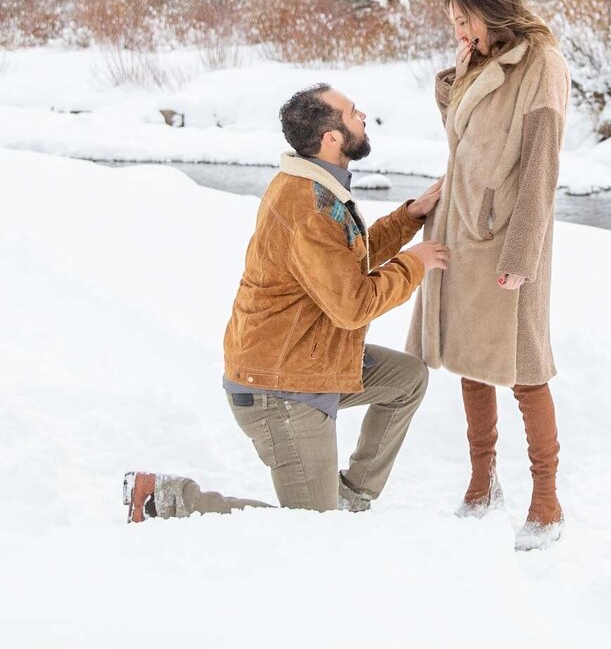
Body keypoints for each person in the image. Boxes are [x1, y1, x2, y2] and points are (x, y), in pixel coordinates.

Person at [124, 83, 449, 522]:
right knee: (307, 526)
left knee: (407, 378)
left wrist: (407, 219)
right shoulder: (309, 207)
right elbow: (353, 303)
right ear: (331, 138)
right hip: (279, 388)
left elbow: (342, 264)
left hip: (309, 360)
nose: (363, 116)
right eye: (353, 113)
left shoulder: (315, 187)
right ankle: (168, 499)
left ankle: (350, 495)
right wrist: (414, 264)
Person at [405, 0, 570, 551]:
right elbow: (463, 137)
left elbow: (542, 166)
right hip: (463, 223)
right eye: (452, 22)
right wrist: (462, 67)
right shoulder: (486, 58)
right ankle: (482, 483)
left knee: (525, 368)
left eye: (463, 20)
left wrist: (524, 251)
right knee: (470, 360)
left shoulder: (542, 62)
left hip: (509, 235)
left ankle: (547, 503)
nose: (458, 29)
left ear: (491, 9)